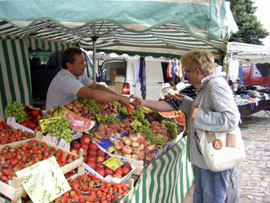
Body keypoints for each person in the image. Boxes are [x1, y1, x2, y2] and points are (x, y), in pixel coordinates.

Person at [132, 50, 240, 203]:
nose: (185, 75)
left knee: (213, 198)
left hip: (215, 154)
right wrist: (187, 103)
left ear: (198, 71)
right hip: (205, 155)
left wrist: (200, 115)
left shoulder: (215, 86)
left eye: (187, 71)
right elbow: (203, 109)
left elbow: (231, 118)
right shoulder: (206, 86)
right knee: (202, 196)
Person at [46, 47, 129, 110]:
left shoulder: (78, 75)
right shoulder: (65, 79)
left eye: (84, 62)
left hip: (68, 113)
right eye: (81, 63)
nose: (84, 66)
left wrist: (118, 97)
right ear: (69, 65)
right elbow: (93, 95)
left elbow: (96, 86)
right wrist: (120, 98)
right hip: (55, 119)